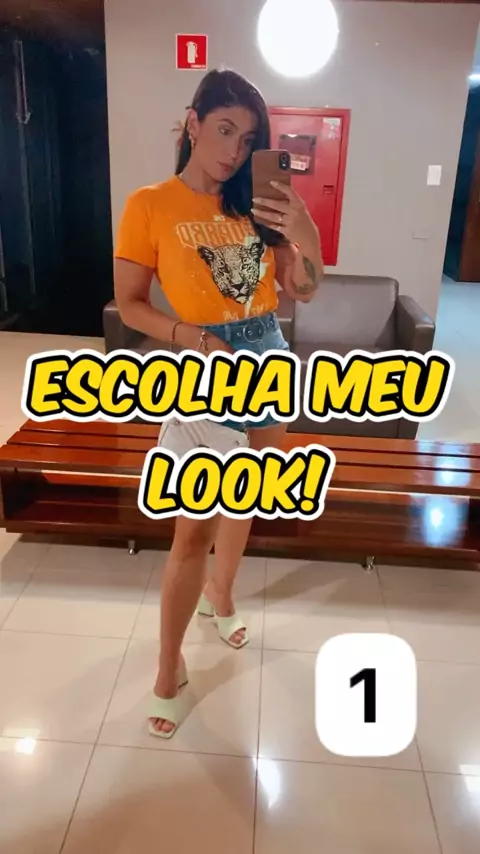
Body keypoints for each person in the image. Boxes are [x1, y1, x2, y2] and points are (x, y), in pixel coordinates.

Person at [114, 68, 323, 738]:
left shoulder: (256, 204)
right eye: (225, 130)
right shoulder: (150, 204)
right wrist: (191, 336)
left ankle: (221, 594)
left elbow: (304, 289)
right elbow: (131, 304)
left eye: (248, 138)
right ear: (194, 123)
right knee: (192, 529)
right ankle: (167, 666)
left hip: (268, 358)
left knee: (248, 496)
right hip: (204, 367)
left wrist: (305, 228)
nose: (235, 150)